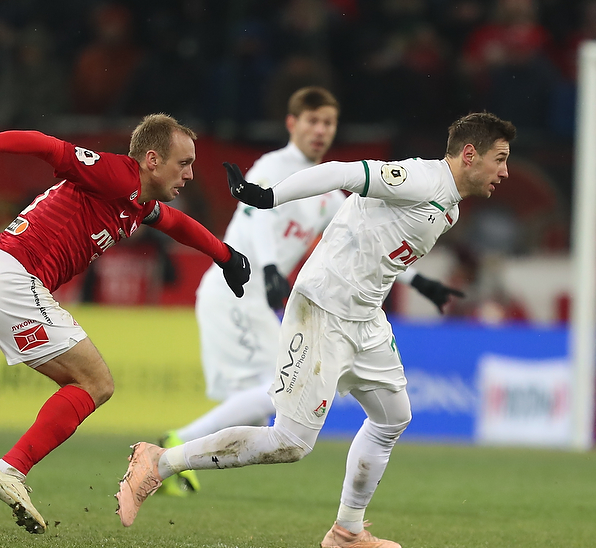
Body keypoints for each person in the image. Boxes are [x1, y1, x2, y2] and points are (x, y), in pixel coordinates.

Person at [115, 112, 515, 548]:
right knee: (291, 442)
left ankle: (347, 530)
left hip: (365, 318)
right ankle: (160, 461)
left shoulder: (449, 207)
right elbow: (342, 173)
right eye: (500, 159)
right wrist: (269, 196)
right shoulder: (422, 179)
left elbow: (376, 240)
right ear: (470, 154)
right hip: (324, 308)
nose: (505, 172)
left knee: (392, 418)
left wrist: (419, 283)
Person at [0, 115, 250, 539]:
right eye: (184, 163)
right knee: (95, 382)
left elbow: (176, 223)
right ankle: (11, 470)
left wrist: (225, 256)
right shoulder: (116, 173)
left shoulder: (137, 202)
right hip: (7, 276)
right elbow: (47, 146)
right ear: (153, 160)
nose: (190, 174)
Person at [157, 86, 465, 496]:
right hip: (234, 291)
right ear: (292, 123)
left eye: (328, 123)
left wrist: (420, 281)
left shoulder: (324, 193)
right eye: (313, 121)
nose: (320, 130)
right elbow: (256, 217)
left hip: (260, 295)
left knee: (270, 399)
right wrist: (270, 268)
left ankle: (176, 451)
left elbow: (369, 240)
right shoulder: (272, 165)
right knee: (273, 392)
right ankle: (175, 444)